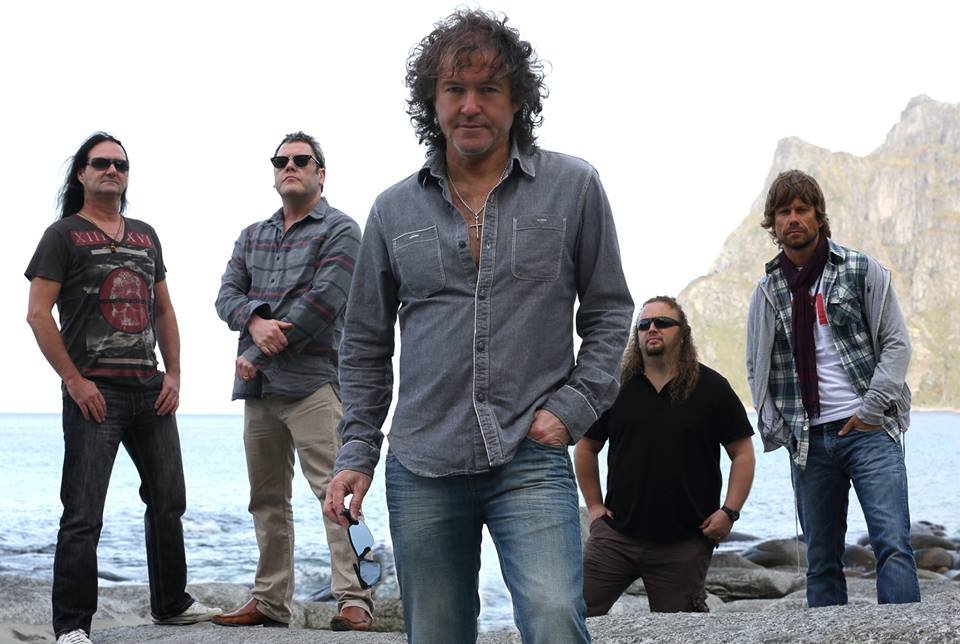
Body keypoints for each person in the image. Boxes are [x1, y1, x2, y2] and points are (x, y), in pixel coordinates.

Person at [323, 9, 633, 643]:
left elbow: (608, 312)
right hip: (422, 461)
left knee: (554, 619)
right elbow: (364, 344)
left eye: (488, 89)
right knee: (436, 634)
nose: (470, 106)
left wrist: (571, 410)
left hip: (531, 452)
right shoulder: (392, 210)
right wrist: (357, 452)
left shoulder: (573, 187)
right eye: (454, 89)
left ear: (516, 101)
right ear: (432, 103)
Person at [25, 132, 218, 644]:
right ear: (81, 174)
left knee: (168, 500)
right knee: (83, 512)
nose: (112, 170)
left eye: (120, 165)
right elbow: (38, 314)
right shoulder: (62, 235)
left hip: (150, 391)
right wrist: (74, 381)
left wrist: (174, 374)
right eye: (101, 163)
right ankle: (72, 625)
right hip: (95, 395)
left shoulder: (146, 235)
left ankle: (171, 603)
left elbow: (164, 310)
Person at [213, 132, 372, 631]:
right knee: (265, 501)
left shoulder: (342, 230)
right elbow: (225, 296)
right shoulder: (251, 235)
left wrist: (256, 348)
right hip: (259, 393)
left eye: (301, 160)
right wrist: (255, 320)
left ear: (320, 173)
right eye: (281, 160)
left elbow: (323, 303)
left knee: (338, 494)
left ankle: (357, 599)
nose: (289, 166)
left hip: (314, 386)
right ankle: (270, 601)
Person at [746, 169, 920, 607]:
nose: (793, 219)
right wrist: (781, 428)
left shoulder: (860, 269)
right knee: (821, 559)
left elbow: (897, 344)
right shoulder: (767, 290)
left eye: (801, 209)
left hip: (869, 430)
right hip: (809, 441)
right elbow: (756, 365)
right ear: (773, 224)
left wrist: (871, 410)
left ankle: (903, 633)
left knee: (893, 545)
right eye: (783, 212)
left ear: (819, 216)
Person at [576, 296, 755, 615]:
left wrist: (729, 512)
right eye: (644, 324)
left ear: (683, 332)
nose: (652, 329)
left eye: (662, 323)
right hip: (616, 537)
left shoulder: (712, 387)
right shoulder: (616, 386)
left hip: (684, 544)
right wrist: (594, 508)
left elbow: (742, 453)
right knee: (573, 615)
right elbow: (586, 448)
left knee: (681, 632)